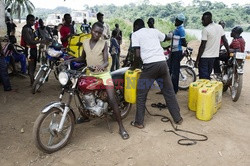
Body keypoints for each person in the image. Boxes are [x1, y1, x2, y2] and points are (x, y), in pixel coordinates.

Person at [65, 22, 129, 140]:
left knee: (111, 98)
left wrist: (102, 66)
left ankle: (121, 127)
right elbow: (82, 58)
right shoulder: (85, 43)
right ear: (91, 30)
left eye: (99, 33)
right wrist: (70, 60)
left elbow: (106, 61)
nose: (97, 34)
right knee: (81, 91)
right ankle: (86, 115)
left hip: (104, 75)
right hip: (90, 73)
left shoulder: (103, 43)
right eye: (95, 31)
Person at [130, 19, 183, 129]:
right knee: (169, 92)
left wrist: (134, 67)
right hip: (162, 65)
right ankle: (178, 118)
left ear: (135, 26)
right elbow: (167, 37)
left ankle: (139, 122)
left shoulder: (135, 34)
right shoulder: (153, 31)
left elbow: (137, 55)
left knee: (141, 95)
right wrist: (172, 34)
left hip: (150, 67)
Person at [195, 12, 229, 80]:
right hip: (213, 57)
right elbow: (225, 40)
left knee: (203, 78)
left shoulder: (206, 30)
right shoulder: (219, 27)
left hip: (204, 57)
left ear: (208, 19)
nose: (202, 22)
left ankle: (204, 89)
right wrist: (228, 51)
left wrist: (197, 60)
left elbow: (202, 46)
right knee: (207, 76)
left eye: (203, 20)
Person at [21, 14, 46, 85]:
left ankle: (33, 82)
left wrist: (38, 38)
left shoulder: (30, 29)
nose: (33, 22)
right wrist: (40, 41)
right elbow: (29, 41)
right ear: (27, 20)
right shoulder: (26, 29)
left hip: (33, 49)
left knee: (33, 65)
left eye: (34, 20)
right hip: (29, 50)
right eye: (32, 20)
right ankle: (33, 83)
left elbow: (33, 39)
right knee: (31, 66)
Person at [168, 13, 187, 94]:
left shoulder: (181, 30)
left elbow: (183, 43)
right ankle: (169, 88)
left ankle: (174, 89)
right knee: (170, 70)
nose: (175, 21)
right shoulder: (177, 29)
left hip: (177, 52)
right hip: (173, 51)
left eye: (176, 20)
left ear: (179, 21)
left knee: (175, 71)